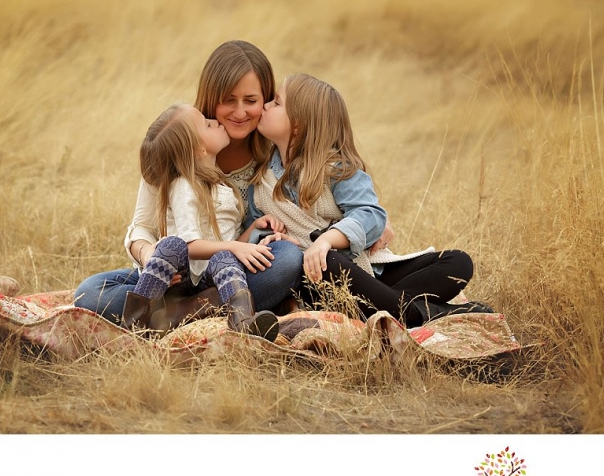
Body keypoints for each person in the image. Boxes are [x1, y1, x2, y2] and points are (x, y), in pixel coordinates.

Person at [74, 41, 305, 328]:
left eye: (250, 100)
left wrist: (372, 222)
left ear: (265, 100)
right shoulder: (176, 142)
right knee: (89, 293)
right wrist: (149, 257)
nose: (240, 112)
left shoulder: (271, 153)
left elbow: (320, 189)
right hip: (175, 276)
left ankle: (173, 315)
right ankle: (207, 310)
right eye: (228, 100)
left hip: (228, 272)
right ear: (211, 97)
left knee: (288, 260)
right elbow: (141, 226)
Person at [249, 73, 493, 328]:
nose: (266, 105)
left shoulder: (336, 169)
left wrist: (326, 240)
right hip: (319, 283)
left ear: (297, 124)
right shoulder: (262, 182)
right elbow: (256, 235)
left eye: (276, 102)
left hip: (370, 273)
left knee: (458, 263)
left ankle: (387, 309)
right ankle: (426, 314)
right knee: (328, 262)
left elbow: (370, 214)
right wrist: (270, 235)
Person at [118, 103, 282, 341]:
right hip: (179, 280)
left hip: (209, 278)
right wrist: (235, 247)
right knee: (173, 245)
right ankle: (135, 325)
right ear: (200, 150)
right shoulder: (185, 185)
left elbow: (229, 243)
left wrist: (253, 230)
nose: (215, 122)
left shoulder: (221, 184)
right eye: (207, 124)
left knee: (229, 258)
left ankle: (243, 322)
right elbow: (189, 244)